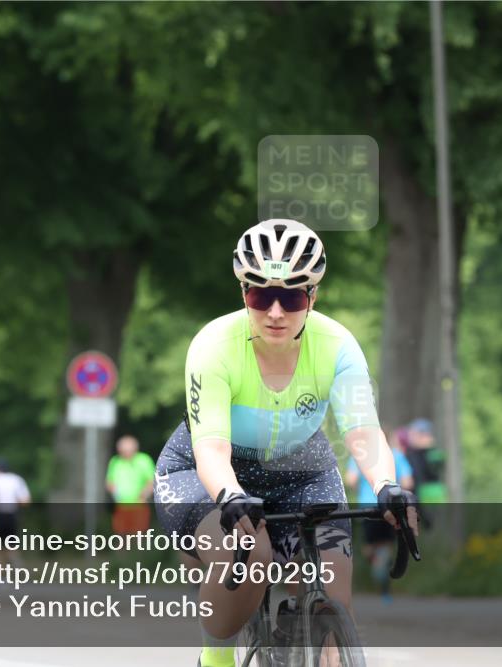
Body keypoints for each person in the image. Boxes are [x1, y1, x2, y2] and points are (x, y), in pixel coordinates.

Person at [152, 219, 418, 667]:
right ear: (243, 294)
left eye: (292, 296)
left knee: (334, 590)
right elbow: (212, 451)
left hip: (302, 469)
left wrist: (386, 485)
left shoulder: (338, 345)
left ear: (313, 297)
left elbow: (362, 431)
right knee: (251, 554)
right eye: (261, 294)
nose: (275, 311)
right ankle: (215, 659)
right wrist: (231, 495)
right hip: (207, 472)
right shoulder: (213, 345)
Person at [344, 426, 414, 604]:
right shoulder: (396, 455)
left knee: (369, 547)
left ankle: (377, 563)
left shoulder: (360, 456)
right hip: (390, 507)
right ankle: (384, 583)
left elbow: (350, 480)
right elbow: (408, 481)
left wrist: (362, 489)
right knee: (386, 546)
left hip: (368, 508)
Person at [106, 435, 155, 535]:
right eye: (123, 451)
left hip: (139, 506)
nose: (125, 453)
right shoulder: (115, 461)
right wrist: (115, 493)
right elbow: (109, 482)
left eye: (128, 450)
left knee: (137, 535)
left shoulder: (144, 460)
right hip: (121, 506)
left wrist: (144, 494)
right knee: (120, 535)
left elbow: (152, 481)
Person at [403, 418, 447, 503]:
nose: (410, 437)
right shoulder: (411, 453)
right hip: (419, 495)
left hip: (431, 495)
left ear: (424, 435)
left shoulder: (433, 453)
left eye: (413, 434)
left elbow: (436, 467)